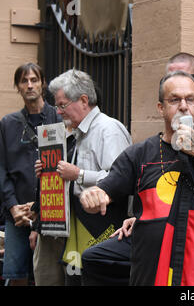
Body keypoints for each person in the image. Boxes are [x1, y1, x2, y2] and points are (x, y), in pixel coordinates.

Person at [81, 52, 194, 286]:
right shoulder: (140, 153)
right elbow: (104, 190)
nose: (183, 106)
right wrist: (90, 195)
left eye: (190, 100)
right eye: (174, 100)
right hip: (152, 270)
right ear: (160, 108)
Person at [34, 69, 132, 285]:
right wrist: (48, 171)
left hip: (103, 226)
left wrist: (78, 174)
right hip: (79, 227)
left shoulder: (109, 129)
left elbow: (121, 181)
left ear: (84, 100)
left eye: (62, 105)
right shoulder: (76, 132)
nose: (58, 112)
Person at [0, 63, 61, 286]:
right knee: (16, 276)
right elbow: (2, 169)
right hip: (17, 213)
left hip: (52, 212)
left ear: (43, 83)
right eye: (24, 81)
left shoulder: (58, 118)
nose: (29, 85)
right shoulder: (8, 124)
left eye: (34, 80)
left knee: (51, 275)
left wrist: (42, 205)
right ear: (17, 86)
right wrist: (12, 206)